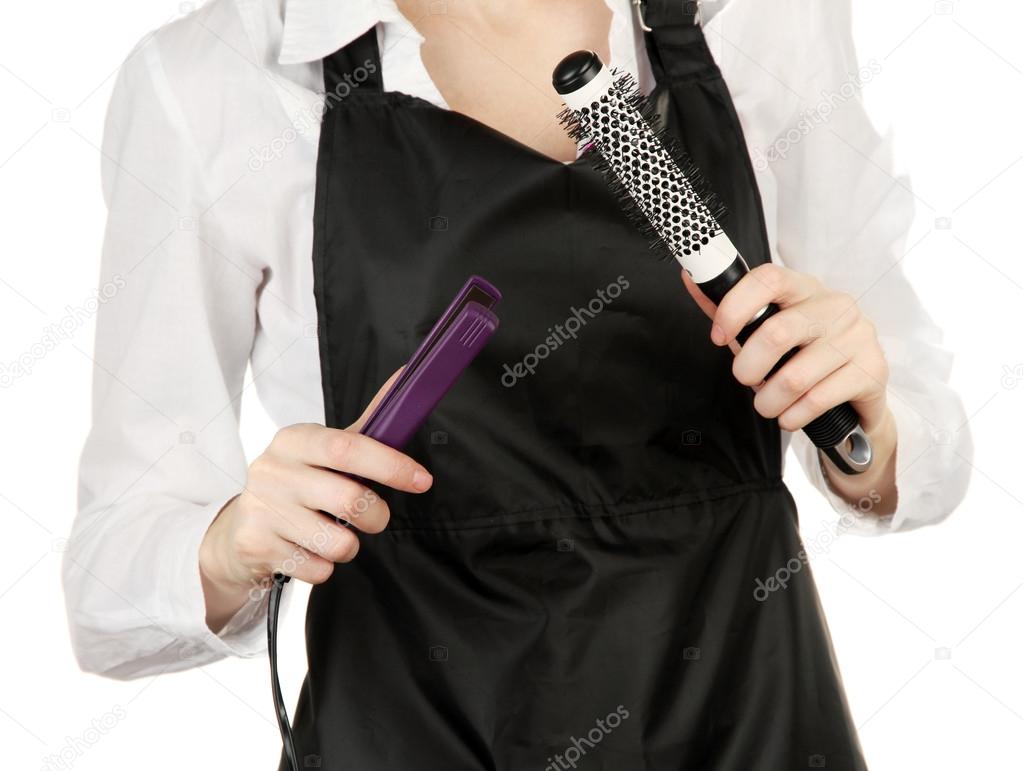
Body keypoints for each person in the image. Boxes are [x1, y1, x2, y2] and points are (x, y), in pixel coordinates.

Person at [65, 0, 972, 767]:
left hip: (745, 716)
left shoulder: (763, 20)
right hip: (414, 727)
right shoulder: (211, 80)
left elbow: (921, 443)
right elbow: (107, 592)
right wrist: (231, 545)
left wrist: (872, 431)